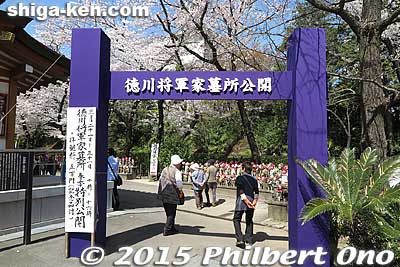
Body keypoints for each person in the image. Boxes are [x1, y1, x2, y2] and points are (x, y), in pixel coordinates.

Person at [233, 162, 259, 249]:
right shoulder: (254, 179)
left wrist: (246, 200)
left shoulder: (240, 178)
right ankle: (249, 239)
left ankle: (240, 239)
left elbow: (240, 190)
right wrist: (254, 201)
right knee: (249, 220)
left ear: (243, 168)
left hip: (241, 201)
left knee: (236, 219)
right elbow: (256, 192)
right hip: (251, 201)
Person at [157, 154, 184, 236]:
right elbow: (179, 183)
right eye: (179, 163)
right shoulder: (177, 172)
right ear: (177, 163)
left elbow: (161, 179)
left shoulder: (165, 169)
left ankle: (172, 227)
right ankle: (167, 229)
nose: (180, 164)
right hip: (172, 193)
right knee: (172, 212)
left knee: (168, 211)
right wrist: (180, 191)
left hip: (164, 193)